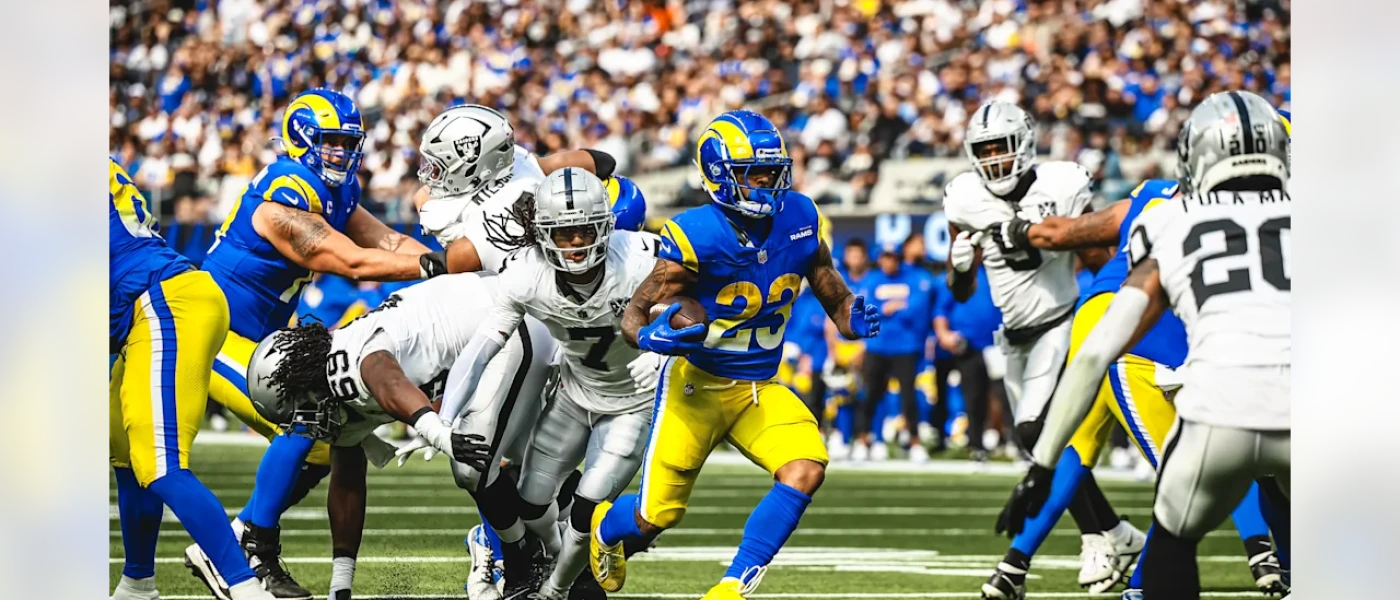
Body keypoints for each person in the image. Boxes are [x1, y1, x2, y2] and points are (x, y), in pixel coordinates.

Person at [1001, 91, 1291, 600]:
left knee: (1174, 538)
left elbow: (1095, 353)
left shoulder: (1167, 217)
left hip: (1218, 415)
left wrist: (1043, 464)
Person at [588, 110, 880, 600]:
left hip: (759, 387)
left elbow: (830, 288)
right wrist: (650, 337)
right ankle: (604, 528)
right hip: (696, 388)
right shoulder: (696, 234)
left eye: (772, 171)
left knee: (807, 466)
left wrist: (849, 314)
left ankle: (731, 587)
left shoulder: (800, 217)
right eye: (753, 173)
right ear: (718, 175)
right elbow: (634, 314)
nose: (766, 182)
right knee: (656, 515)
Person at [188, 88, 448, 600]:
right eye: (331, 141)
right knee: (309, 414)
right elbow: (350, 261)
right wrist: (439, 265)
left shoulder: (336, 190)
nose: (342, 152)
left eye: (349, 143)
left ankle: (237, 539)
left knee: (331, 439)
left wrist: (461, 270)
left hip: (260, 339)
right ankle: (251, 547)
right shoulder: (285, 191)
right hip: (212, 330)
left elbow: (389, 242)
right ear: (301, 137)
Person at [408, 168, 661, 599]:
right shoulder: (526, 272)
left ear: (607, 226)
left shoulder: (640, 259)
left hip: (632, 402)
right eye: (564, 233)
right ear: (543, 233)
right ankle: (546, 557)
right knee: (530, 498)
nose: (577, 244)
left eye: (586, 230)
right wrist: (443, 420)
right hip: (574, 393)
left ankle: (554, 589)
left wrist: (664, 349)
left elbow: (697, 302)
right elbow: (483, 346)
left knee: (590, 504)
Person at [236, 272, 559, 600]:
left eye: (298, 410)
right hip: (492, 339)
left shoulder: (345, 366)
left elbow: (384, 374)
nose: (303, 424)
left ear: (306, 382)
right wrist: (340, 586)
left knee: (473, 469)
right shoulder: (335, 395)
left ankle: (523, 560)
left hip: (506, 322)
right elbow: (347, 484)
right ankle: (558, 554)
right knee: (532, 466)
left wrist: (436, 432)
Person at [943, 100, 1141, 598]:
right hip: (1014, 338)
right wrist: (960, 266)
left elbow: (1098, 257)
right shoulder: (964, 197)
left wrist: (1112, 313)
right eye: (984, 150)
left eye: (1001, 147)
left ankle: (1097, 537)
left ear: (1025, 143)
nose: (994, 159)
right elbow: (960, 290)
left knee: (1039, 431)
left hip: (1062, 322)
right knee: (1035, 444)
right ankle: (1117, 533)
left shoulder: (1062, 185)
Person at [107, 158, 276, 600]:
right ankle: (137, 583)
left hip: (164, 302)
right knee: (126, 454)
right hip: (156, 305)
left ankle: (245, 587)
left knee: (159, 461)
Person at [856, 240, 935, 462]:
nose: (889, 262)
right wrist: (886, 308)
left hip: (905, 346)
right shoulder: (872, 279)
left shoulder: (912, 277)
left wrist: (895, 309)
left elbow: (918, 307)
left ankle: (914, 441)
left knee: (908, 395)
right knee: (871, 394)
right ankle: (863, 439)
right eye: (885, 257)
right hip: (877, 345)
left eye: (892, 257)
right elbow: (865, 308)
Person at [932, 264, 1001, 460]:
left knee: (1005, 396)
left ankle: (1013, 442)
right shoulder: (957, 275)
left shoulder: (999, 271)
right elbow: (940, 309)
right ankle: (976, 444)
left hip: (999, 342)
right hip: (967, 344)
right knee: (973, 396)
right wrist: (944, 334)